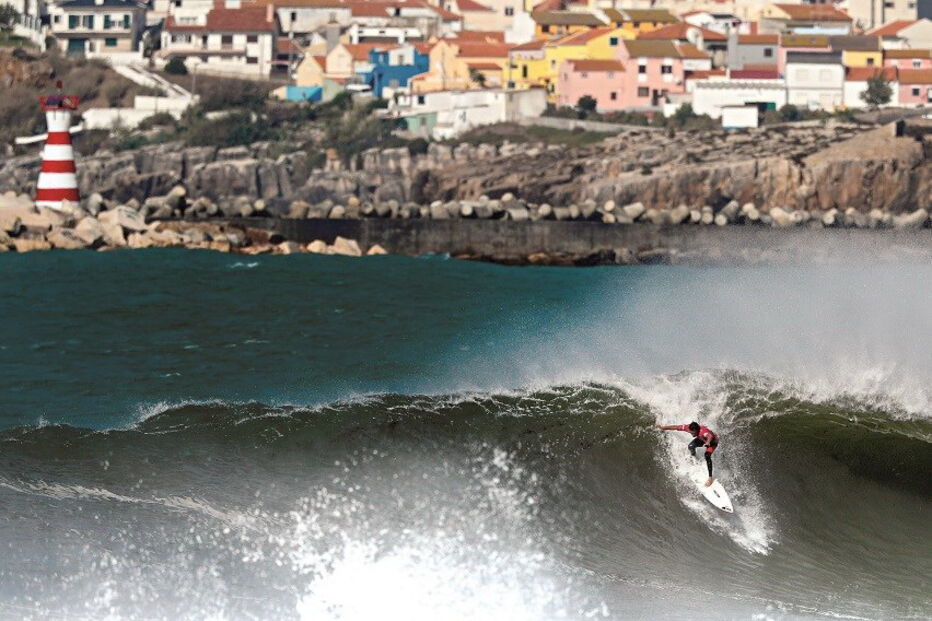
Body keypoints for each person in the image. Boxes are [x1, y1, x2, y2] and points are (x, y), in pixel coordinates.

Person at [658, 422, 719, 487]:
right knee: (690, 446)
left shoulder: (703, 431)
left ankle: (710, 478)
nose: (692, 434)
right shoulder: (688, 428)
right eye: (691, 432)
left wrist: (708, 442)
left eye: (693, 433)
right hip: (702, 439)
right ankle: (694, 457)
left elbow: (710, 436)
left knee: (707, 455)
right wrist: (663, 427)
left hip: (713, 442)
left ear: (697, 430)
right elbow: (675, 427)